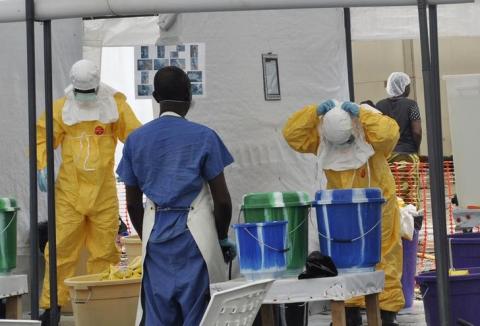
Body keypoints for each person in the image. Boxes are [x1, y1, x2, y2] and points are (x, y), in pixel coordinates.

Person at [117, 66, 236, 325]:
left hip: (156, 239)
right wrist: (222, 237)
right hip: (195, 240)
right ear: (189, 95)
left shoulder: (135, 140)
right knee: (200, 315)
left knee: (158, 314)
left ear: (155, 96)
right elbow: (223, 201)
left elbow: (133, 204)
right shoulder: (204, 136)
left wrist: (147, 232)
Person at [36, 59, 141, 325]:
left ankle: (99, 310)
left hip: (103, 194)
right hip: (69, 194)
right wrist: (41, 165)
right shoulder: (61, 109)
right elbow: (41, 137)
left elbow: (137, 138)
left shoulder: (115, 106)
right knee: (59, 251)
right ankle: (52, 308)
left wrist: (137, 167)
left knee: (104, 252)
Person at [283, 100, 404, 326]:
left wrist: (363, 115)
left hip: (377, 206)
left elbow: (390, 134)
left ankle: (386, 312)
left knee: (384, 254)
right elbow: (292, 134)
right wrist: (313, 113)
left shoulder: (369, 129)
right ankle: (349, 311)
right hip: (341, 208)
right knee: (343, 257)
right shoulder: (322, 135)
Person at [376, 72, 422, 208]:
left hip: (386, 157)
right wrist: (416, 148)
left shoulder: (380, 106)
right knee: (410, 193)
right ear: (403, 87)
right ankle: (413, 225)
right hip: (407, 154)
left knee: (391, 191)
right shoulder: (411, 105)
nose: (409, 88)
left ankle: (394, 224)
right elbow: (417, 131)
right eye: (408, 86)